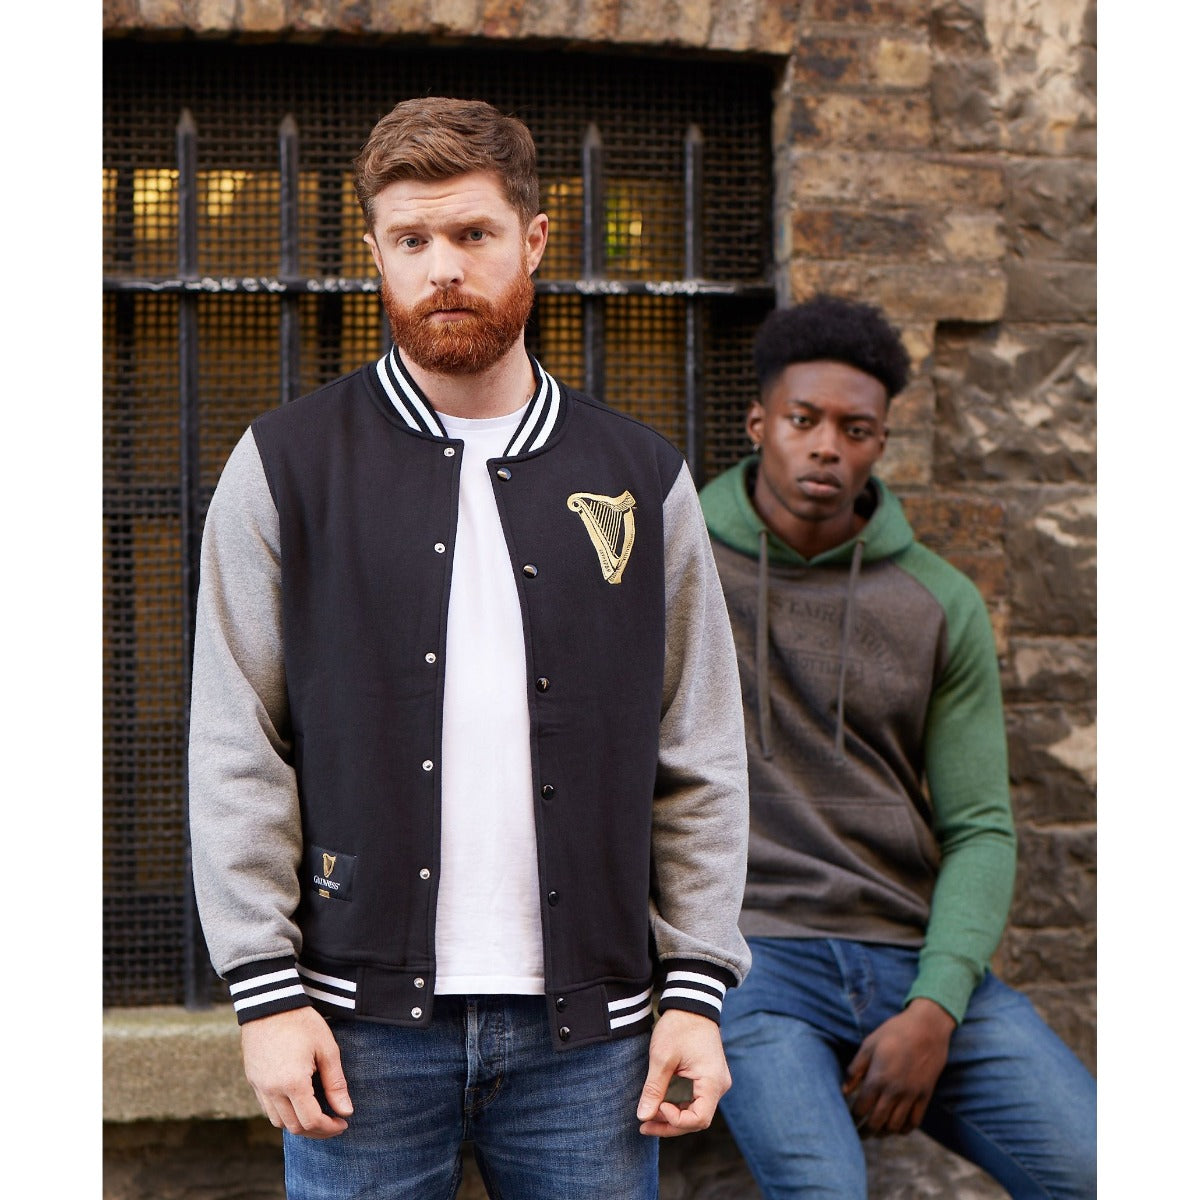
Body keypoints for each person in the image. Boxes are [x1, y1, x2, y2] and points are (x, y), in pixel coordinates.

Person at [188, 96, 751, 1200]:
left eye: (473, 235)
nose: (442, 266)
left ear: (533, 240)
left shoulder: (643, 478)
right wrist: (266, 990)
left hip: (593, 1043)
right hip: (356, 1037)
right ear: (376, 256)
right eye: (412, 241)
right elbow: (235, 744)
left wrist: (695, 991)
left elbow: (701, 754)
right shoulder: (286, 467)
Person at [699, 295, 1096, 1199]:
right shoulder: (677, 570)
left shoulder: (936, 600)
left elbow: (983, 828)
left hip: (906, 952)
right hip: (752, 959)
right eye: (803, 421)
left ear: (881, 442)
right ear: (760, 422)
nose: (826, 446)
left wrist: (936, 1004)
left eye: (856, 428)